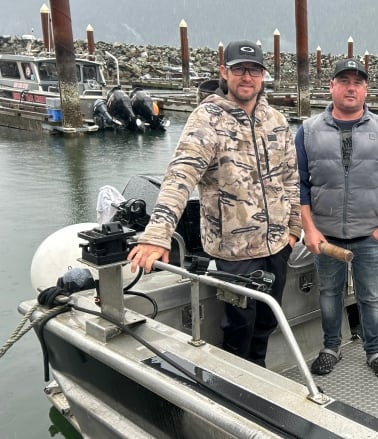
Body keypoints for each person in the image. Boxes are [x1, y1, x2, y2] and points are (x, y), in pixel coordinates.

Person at [127, 40, 300, 367]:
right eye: (238, 70)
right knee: (239, 324)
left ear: (263, 75)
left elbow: (291, 177)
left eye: (253, 70)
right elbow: (181, 174)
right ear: (225, 72)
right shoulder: (206, 119)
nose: (246, 77)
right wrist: (157, 233)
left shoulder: (276, 120)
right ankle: (239, 381)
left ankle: (258, 372)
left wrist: (293, 229)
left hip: (278, 245)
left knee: (267, 321)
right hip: (233, 251)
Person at [295, 58, 378, 379]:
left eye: (357, 82)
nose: (350, 87)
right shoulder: (308, 131)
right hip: (325, 236)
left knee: (370, 297)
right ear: (331, 86)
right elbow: (298, 184)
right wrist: (310, 228)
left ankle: (374, 350)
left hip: (370, 235)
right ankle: (331, 347)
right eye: (343, 80)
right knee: (328, 295)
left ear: (365, 89)